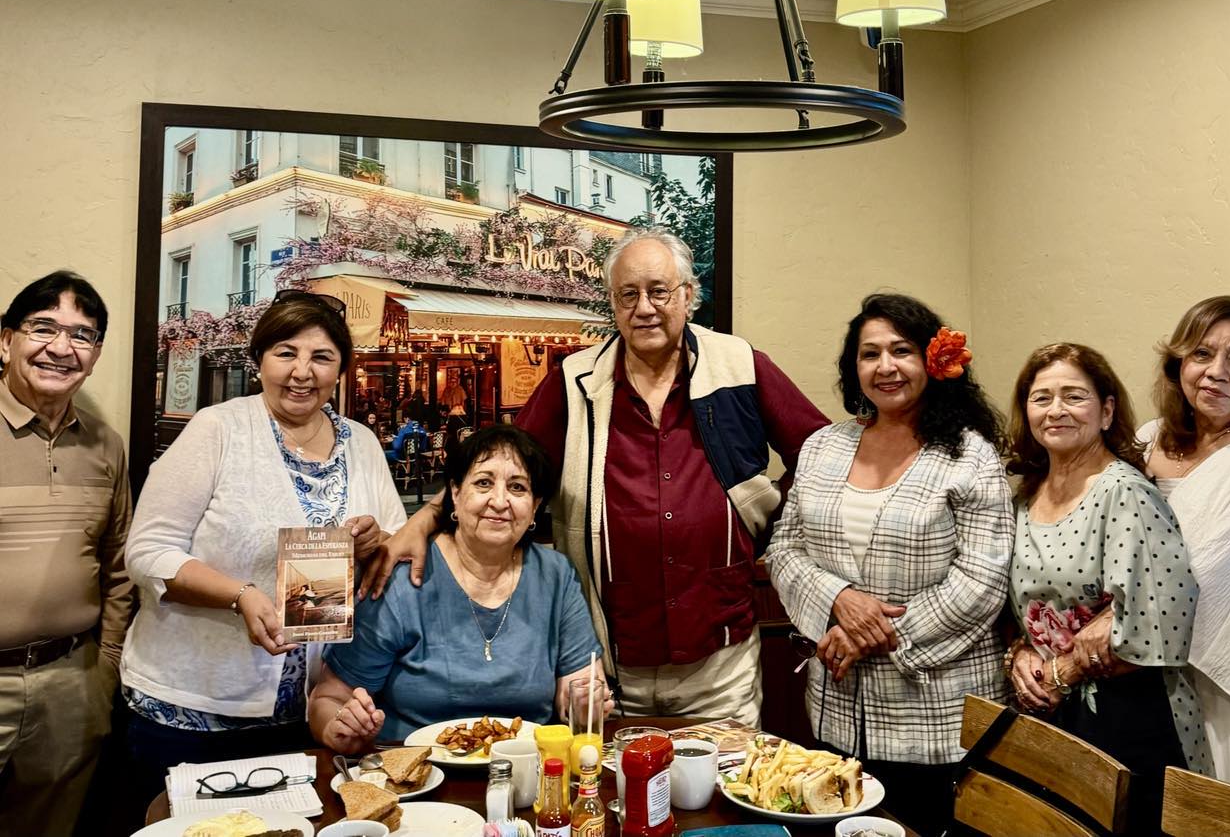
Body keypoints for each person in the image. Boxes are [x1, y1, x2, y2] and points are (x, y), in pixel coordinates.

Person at [368, 226, 828, 725]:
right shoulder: (575, 381)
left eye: (659, 291)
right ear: (612, 303)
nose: (644, 308)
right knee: (616, 799)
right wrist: (428, 518)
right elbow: (505, 461)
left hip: (720, 667)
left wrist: (770, 522)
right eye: (628, 295)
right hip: (610, 668)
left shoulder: (740, 365)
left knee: (718, 795)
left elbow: (824, 455)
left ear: (688, 296)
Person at [119, 290, 407, 803]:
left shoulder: (361, 443)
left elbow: (391, 543)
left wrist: (372, 541)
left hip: (310, 710)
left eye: (321, 357)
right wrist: (240, 595)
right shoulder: (219, 429)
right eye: (286, 353)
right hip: (195, 705)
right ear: (259, 361)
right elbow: (147, 551)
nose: (302, 371)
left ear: (340, 368)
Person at [766, 293, 1012, 836]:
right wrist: (837, 600)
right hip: (837, 706)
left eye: (901, 351)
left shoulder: (970, 455)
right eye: (869, 353)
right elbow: (783, 547)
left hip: (936, 713)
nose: (885, 367)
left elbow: (983, 578)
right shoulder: (824, 446)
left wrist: (869, 634)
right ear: (854, 368)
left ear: (932, 361)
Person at [1005, 342, 1209, 832]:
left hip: (1133, 723)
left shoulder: (1124, 492)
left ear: (1106, 410)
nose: (1056, 410)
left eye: (1074, 396)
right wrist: (1021, 654)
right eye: (1042, 398)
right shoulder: (1024, 497)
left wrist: (1058, 674)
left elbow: (1157, 623)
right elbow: (1024, 608)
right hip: (1056, 720)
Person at [310, 425, 608, 750]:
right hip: (417, 778)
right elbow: (329, 698)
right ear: (454, 493)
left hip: (529, 773)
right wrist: (341, 728)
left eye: (517, 488)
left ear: (535, 505)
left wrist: (584, 704)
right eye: (483, 483)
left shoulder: (555, 576)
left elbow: (581, 685)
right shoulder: (404, 578)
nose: (499, 501)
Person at [1139, 297, 1230, 799]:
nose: (1215, 372)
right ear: (1180, 362)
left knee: (1226, 807)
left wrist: (1114, 623)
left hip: (1224, 674)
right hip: (1144, 668)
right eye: (1202, 354)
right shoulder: (1145, 440)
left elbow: (1208, 567)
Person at [0, 271, 132, 837]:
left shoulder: (105, 444)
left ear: (97, 353)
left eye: (82, 335)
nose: (61, 348)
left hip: (71, 682)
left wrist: (103, 668)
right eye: (43, 328)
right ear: (6, 340)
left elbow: (120, 565)